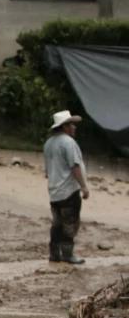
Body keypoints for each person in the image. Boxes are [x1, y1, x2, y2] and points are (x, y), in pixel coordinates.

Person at [43, 110, 90, 264]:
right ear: (64, 127)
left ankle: (54, 254)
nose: (74, 127)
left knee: (56, 224)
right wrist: (83, 187)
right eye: (71, 124)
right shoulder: (69, 143)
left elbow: (48, 170)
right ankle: (68, 255)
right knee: (70, 223)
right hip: (68, 191)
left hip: (54, 191)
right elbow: (75, 166)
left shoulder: (48, 143)